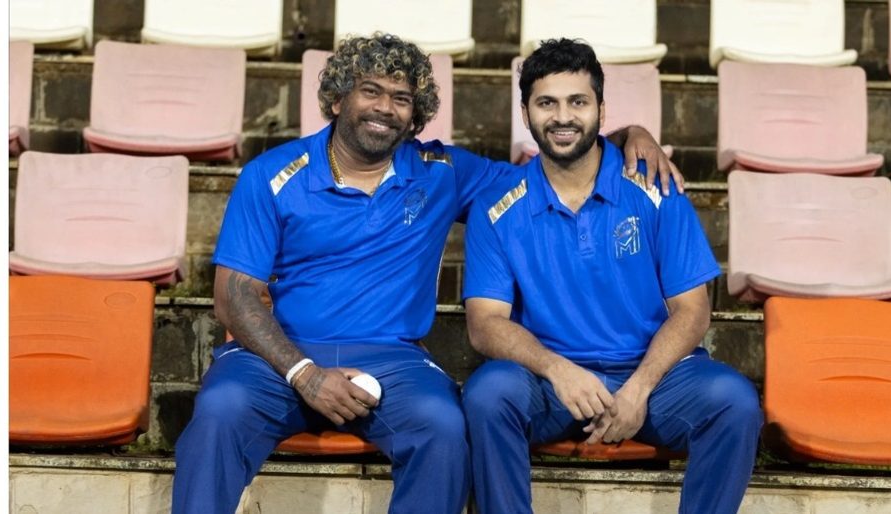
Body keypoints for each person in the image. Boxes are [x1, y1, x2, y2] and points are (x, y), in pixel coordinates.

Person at [171, 33, 683, 514]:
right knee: (219, 413)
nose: (385, 107)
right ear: (338, 99)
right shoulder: (271, 174)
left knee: (443, 429)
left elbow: (557, 166)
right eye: (370, 91)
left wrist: (628, 136)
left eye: (401, 98)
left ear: (415, 115)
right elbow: (234, 296)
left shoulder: (442, 171)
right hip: (278, 359)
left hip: (393, 360)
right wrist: (303, 373)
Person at [460, 38, 763, 514]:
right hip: (550, 385)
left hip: (653, 378)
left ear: (602, 111)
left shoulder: (656, 187)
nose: (563, 117)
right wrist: (558, 370)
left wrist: (638, 389)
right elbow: (484, 324)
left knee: (735, 402)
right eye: (546, 103)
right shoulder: (496, 206)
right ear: (525, 113)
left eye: (578, 102)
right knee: (488, 394)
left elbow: (693, 311)